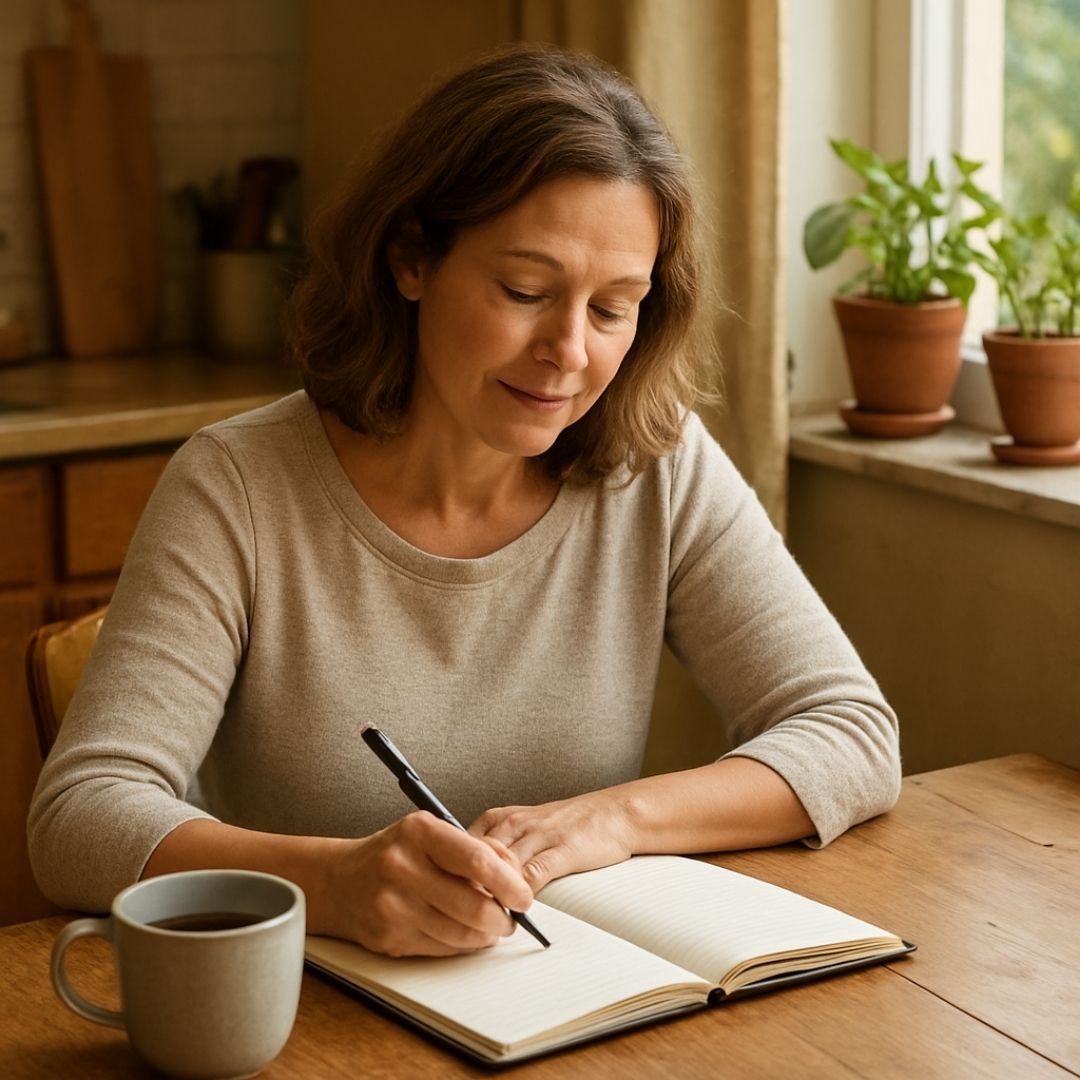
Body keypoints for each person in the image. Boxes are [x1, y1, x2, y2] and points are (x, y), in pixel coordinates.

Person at [29, 44, 900, 959]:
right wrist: (334, 886)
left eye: (613, 308)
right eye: (526, 290)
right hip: (308, 1020)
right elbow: (81, 818)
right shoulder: (238, 486)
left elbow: (849, 732)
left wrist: (614, 820)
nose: (569, 350)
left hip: (557, 1004)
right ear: (412, 258)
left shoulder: (658, 463)